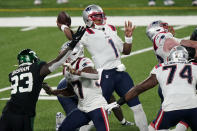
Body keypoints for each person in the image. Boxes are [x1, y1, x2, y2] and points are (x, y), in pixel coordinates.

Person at [59, 4, 148, 131]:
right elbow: (72, 37)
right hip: (104, 76)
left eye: (100, 15)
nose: (100, 18)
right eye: (95, 16)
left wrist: (128, 37)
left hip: (121, 73)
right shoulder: (86, 33)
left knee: (137, 106)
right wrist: (63, 26)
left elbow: (126, 51)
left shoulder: (110, 28)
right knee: (93, 110)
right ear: (88, 18)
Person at [0, 26, 85, 131]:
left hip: (7, 112)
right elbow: (58, 61)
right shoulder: (37, 67)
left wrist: (41, 84)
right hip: (24, 114)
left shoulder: (12, 74)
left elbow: (25, 82)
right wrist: (73, 43)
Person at [110, 45, 197, 130]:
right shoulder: (194, 67)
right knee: (187, 117)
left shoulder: (160, 68)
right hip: (193, 107)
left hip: (170, 107)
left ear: (171, 57)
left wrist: (120, 101)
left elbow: (139, 89)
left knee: (153, 128)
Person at [43, 42, 112, 131]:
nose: (62, 55)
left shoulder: (83, 61)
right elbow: (70, 91)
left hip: (97, 106)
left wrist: (76, 72)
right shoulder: (66, 69)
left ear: (74, 52)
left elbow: (95, 75)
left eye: (65, 52)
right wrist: (52, 92)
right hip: (82, 108)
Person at [146, 20, 197, 131]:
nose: (168, 29)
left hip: (168, 81)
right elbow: (191, 44)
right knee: (187, 109)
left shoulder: (159, 40)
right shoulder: (164, 38)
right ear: (157, 29)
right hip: (179, 81)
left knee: (171, 114)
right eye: (164, 27)